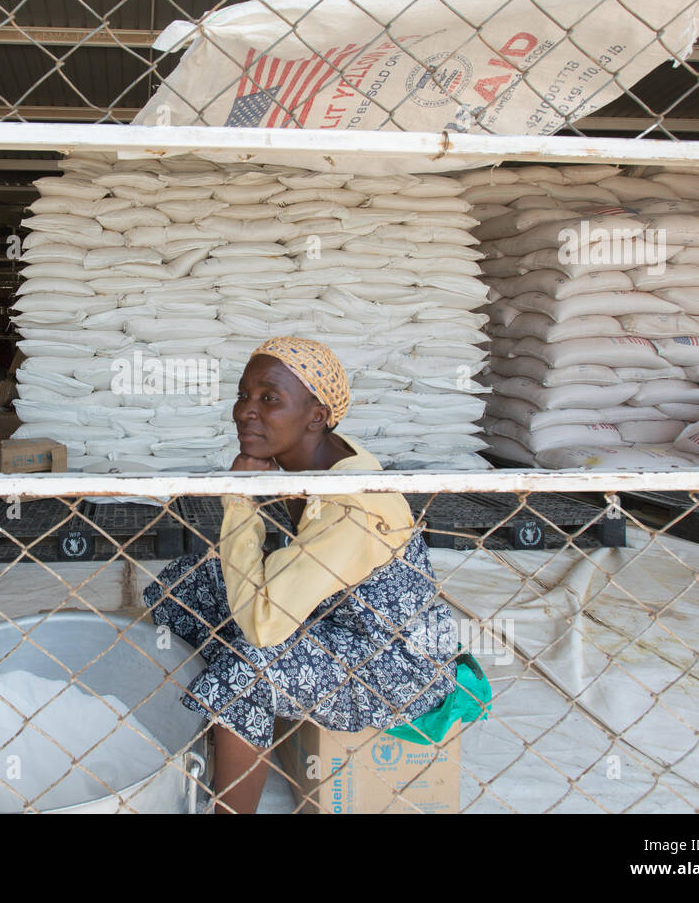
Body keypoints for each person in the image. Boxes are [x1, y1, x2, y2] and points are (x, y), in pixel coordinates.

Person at [143, 336, 467, 814]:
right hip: (335, 616)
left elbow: (263, 627)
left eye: (269, 399)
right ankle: (228, 719)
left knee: (246, 668)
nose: (246, 412)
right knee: (183, 585)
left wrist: (240, 498)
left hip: (393, 661)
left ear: (316, 416)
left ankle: (231, 785)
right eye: (244, 395)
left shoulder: (351, 504)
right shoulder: (316, 458)